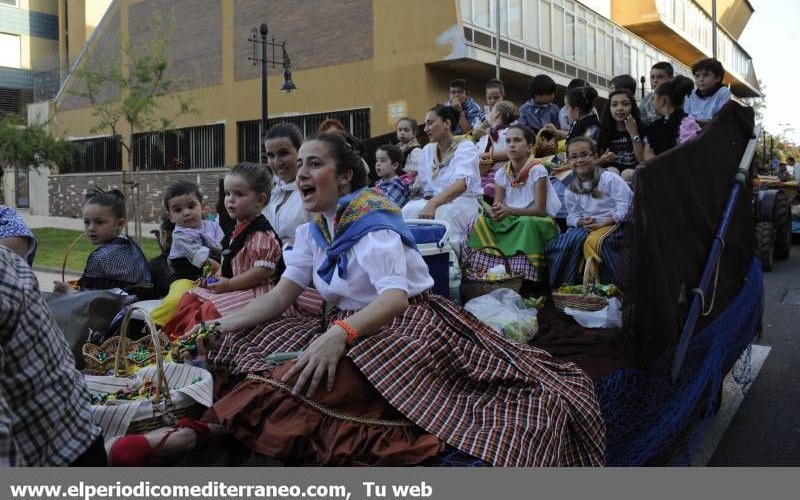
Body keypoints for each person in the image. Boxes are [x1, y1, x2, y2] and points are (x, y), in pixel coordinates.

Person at [108, 132, 605, 468]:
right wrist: (218, 327)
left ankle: (200, 435)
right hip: (350, 325)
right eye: (296, 166)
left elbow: (392, 298)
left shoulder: (372, 223)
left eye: (313, 165)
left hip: (406, 325)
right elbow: (281, 297)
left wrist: (337, 335)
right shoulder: (313, 230)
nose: (299, 174)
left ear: (344, 177)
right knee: (258, 351)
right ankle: (207, 430)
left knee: (316, 382)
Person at [1, 246, 107, 466]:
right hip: (74, 431)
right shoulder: (6, 257)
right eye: (87, 222)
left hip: (60, 452)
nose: (91, 229)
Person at [163, 163, 284, 340]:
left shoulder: (260, 233)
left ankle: (200, 348)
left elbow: (263, 271)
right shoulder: (237, 229)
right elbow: (227, 262)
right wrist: (212, 279)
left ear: (260, 200)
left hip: (257, 290)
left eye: (239, 194)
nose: (230, 199)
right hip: (235, 284)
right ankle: (176, 338)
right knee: (189, 297)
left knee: (210, 308)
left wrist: (230, 285)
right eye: (227, 193)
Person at [462, 125, 561, 282]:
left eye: (517, 140)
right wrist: (494, 211)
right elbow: (499, 205)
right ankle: (482, 274)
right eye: (508, 141)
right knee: (478, 221)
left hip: (538, 220)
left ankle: (526, 280)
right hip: (513, 217)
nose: (511, 145)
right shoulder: (502, 173)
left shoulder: (537, 170)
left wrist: (508, 210)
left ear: (529, 147)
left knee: (526, 224)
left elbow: (541, 211)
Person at [546, 137, 633, 288]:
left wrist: (609, 220)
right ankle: (564, 286)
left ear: (595, 157)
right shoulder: (571, 187)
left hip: (615, 224)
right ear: (568, 162)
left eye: (585, 154)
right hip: (589, 226)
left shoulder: (609, 178)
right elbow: (572, 216)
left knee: (599, 243)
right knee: (567, 241)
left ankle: (611, 288)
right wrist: (580, 222)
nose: (579, 160)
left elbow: (627, 204)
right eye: (574, 157)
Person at [402, 104, 482, 249]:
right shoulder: (427, 150)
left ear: (446, 123)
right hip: (435, 201)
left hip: (462, 203)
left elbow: (462, 185)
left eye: (430, 123)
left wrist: (433, 203)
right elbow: (426, 189)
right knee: (407, 211)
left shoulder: (466, 147)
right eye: (425, 124)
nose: (425, 129)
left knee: (446, 215)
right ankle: (415, 262)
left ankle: (451, 266)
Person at [53, 189, 152, 295]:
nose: (91, 228)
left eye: (99, 222)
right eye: (87, 222)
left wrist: (66, 289)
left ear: (120, 224)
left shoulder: (101, 257)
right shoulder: (130, 246)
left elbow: (85, 300)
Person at [262, 122, 312, 246]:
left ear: (300, 151)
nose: (277, 162)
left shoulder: (313, 193)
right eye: (271, 155)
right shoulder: (271, 196)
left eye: (283, 153)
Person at [164, 181, 224, 281]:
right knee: (180, 294)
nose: (186, 213)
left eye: (191, 206)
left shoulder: (212, 225)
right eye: (178, 210)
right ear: (171, 217)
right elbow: (202, 260)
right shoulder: (180, 234)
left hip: (212, 272)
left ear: (202, 207)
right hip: (189, 277)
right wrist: (223, 273)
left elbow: (224, 247)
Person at [634, 75, 700, 159]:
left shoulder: (654, 127)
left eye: (653, 98)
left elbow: (647, 157)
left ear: (662, 100)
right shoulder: (689, 123)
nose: (652, 102)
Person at [595, 88, 643, 182]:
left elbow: (642, 161)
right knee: (612, 173)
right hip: (611, 171)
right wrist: (602, 160)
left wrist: (634, 133)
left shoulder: (641, 128)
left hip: (633, 173)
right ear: (609, 108)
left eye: (625, 104)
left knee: (628, 174)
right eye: (614, 105)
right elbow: (595, 163)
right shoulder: (604, 130)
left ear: (632, 107)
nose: (620, 108)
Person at [475, 100, 519, 199]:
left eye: (492, 111)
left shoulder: (510, 132)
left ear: (497, 113)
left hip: (499, 173)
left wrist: (486, 156)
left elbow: (511, 152)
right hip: (482, 173)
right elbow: (476, 137)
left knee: (488, 189)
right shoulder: (487, 134)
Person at [683, 58, 731, 125]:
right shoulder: (691, 94)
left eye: (706, 75)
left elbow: (720, 120)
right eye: (697, 76)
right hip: (691, 133)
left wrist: (695, 121)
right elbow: (685, 118)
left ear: (718, 78)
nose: (701, 79)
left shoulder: (723, 92)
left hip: (713, 133)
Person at [374, 144, 410, 208]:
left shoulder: (397, 185)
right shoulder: (380, 183)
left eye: (383, 160)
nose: (378, 164)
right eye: (377, 160)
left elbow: (387, 209)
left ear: (395, 165)